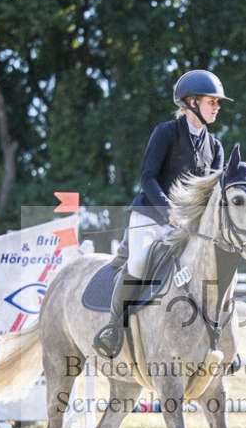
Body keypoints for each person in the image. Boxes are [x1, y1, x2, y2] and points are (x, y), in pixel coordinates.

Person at [94, 70, 232, 358]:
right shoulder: (166, 132)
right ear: (191, 102)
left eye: (218, 103)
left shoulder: (215, 147)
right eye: (212, 102)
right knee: (141, 262)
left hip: (187, 227)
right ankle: (113, 327)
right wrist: (169, 211)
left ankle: (222, 338)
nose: (217, 107)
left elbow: (212, 196)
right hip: (151, 215)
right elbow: (147, 177)